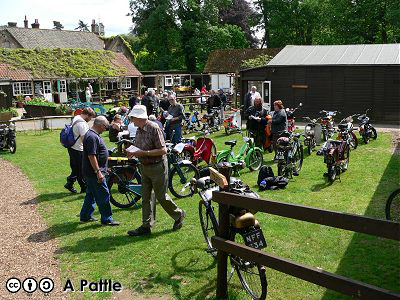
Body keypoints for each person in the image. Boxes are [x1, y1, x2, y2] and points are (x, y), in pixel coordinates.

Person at [126, 105, 185, 236]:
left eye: (133, 118)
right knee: (146, 197)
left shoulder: (154, 128)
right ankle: (146, 225)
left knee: (161, 196)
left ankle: (179, 214)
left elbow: (163, 150)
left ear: (139, 118)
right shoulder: (139, 129)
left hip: (157, 166)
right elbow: (139, 146)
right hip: (145, 166)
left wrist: (143, 152)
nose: (132, 120)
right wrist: (133, 151)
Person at [80, 116, 119, 225]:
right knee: (104, 194)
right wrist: (98, 172)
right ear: (100, 125)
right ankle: (107, 219)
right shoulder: (92, 137)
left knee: (91, 194)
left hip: (92, 171)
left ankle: (85, 216)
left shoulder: (91, 135)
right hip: (94, 173)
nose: (105, 129)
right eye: (105, 127)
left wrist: (105, 169)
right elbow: (91, 156)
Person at [64, 107, 96, 194]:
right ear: (87, 115)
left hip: (71, 147)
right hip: (78, 149)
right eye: (90, 118)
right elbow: (84, 139)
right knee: (82, 169)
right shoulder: (82, 124)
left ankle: (70, 183)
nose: (90, 120)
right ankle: (83, 187)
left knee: (75, 167)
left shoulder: (76, 117)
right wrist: (89, 150)